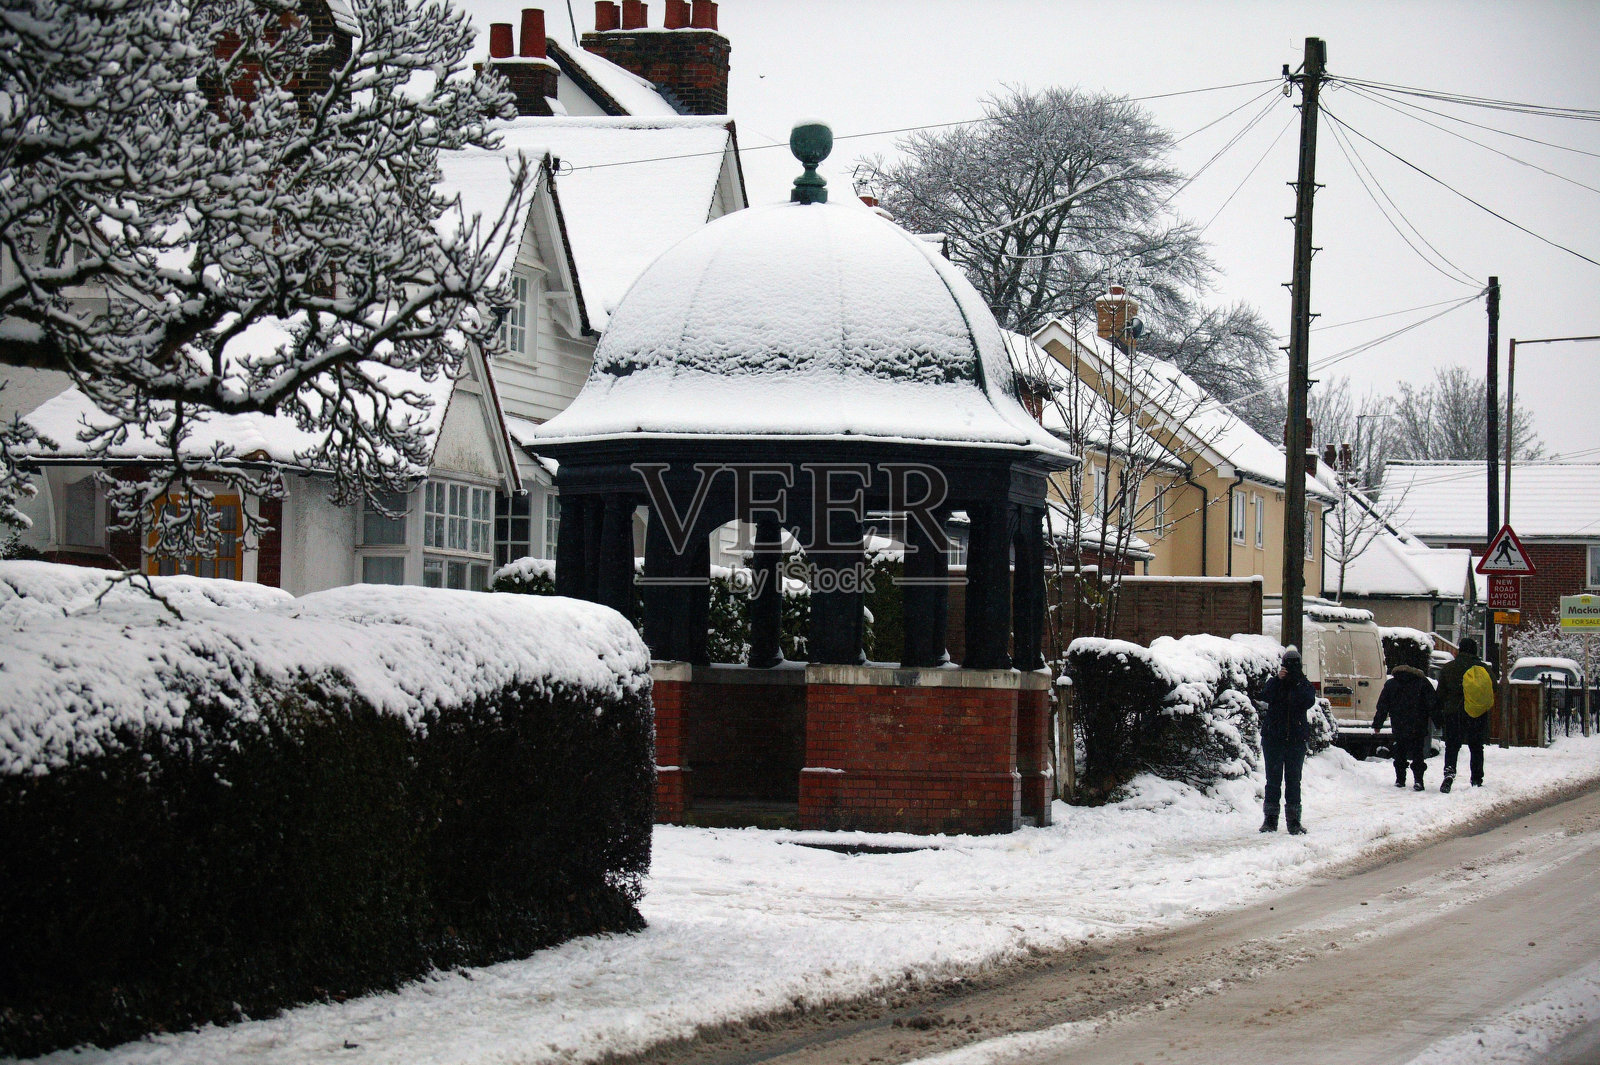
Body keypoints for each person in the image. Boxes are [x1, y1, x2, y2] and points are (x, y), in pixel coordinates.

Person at [1261, 646, 1316, 835]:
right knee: (1273, 781)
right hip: (1274, 738)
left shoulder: (1304, 684)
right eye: (1288, 665)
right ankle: (1270, 820)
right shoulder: (1275, 682)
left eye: (1295, 665)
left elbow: (1308, 700)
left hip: (1295, 740)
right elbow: (1266, 695)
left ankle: (1293, 821)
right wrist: (1278, 680)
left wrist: (1297, 680)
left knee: (1293, 781)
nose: (1291, 668)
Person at [1435, 637, 1494, 792]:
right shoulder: (1483, 668)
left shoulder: (1449, 668)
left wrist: (1439, 713)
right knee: (1476, 746)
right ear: (1475, 651)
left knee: (1452, 745)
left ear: (1459, 650)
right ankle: (1476, 778)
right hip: (1476, 713)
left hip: (1454, 713)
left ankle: (1449, 773)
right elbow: (1493, 687)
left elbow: (1440, 694)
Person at [1372, 662, 1438, 791]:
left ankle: (1400, 779)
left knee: (1400, 750)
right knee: (1418, 752)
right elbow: (1433, 703)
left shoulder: (1391, 684)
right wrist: (1439, 721)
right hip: (1418, 724)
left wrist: (1378, 723)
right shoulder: (1422, 683)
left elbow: (1382, 705)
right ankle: (1418, 780)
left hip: (1399, 724)